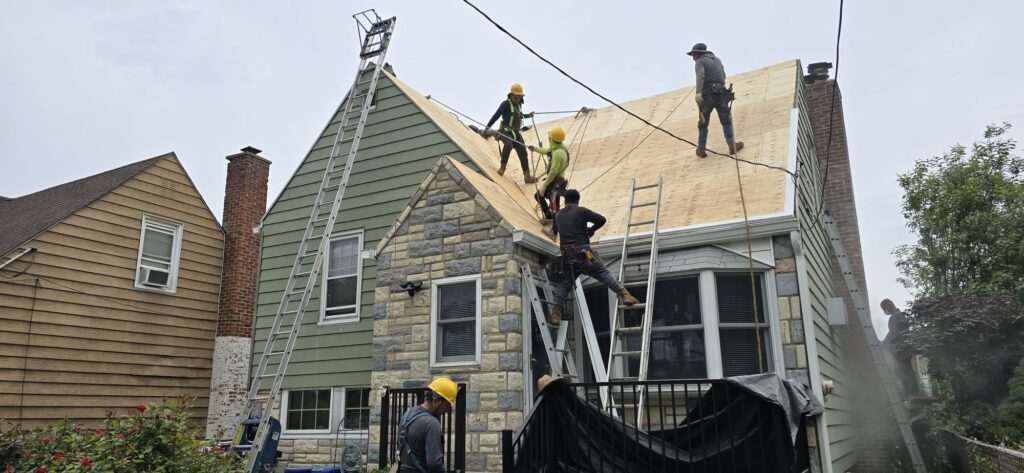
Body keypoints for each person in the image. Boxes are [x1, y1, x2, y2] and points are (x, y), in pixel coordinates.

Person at [548, 189, 640, 325]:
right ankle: (625, 294)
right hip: (584, 253)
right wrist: (591, 230)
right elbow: (601, 220)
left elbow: (555, 230)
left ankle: (555, 314)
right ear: (577, 201)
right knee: (602, 272)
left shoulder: (558, 215)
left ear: (565, 201)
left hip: (567, 258)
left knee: (564, 284)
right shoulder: (581, 211)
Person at [686, 43, 744, 158]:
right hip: (721, 94)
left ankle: (701, 149)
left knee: (703, 123)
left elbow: (700, 75)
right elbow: (723, 75)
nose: (693, 58)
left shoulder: (700, 62)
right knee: (726, 120)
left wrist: (698, 92)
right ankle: (732, 145)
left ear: (699, 54)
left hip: (707, 95)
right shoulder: (717, 60)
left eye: (694, 54)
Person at [397, 377, 457, 473]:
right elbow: (434, 464)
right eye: (446, 405)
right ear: (436, 401)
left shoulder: (407, 414)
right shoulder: (431, 423)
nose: (446, 410)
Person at [482, 83, 536, 183]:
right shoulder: (506, 104)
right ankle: (502, 167)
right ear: (511, 95)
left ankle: (527, 176)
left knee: (523, 151)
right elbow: (496, 115)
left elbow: (519, 116)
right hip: (505, 131)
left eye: (519, 96)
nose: (517, 98)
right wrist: (487, 128)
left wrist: (528, 115)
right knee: (508, 144)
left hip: (515, 132)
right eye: (515, 96)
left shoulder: (519, 105)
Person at [528, 126, 569, 225]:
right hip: (555, 181)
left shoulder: (558, 153)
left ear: (552, 139)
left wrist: (544, 185)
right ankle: (549, 216)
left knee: (555, 206)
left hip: (555, 183)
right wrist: (536, 149)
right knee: (538, 196)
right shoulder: (559, 148)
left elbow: (553, 171)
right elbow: (547, 151)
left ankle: (555, 230)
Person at [881, 299, 918, 396]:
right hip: (905, 348)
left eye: (884, 309)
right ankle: (913, 394)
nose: (884, 311)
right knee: (907, 371)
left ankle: (911, 395)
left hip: (901, 350)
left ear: (888, 305)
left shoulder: (895, 316)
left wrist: (883, 343)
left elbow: (893, 333)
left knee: (904, 372)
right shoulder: (901, 315)